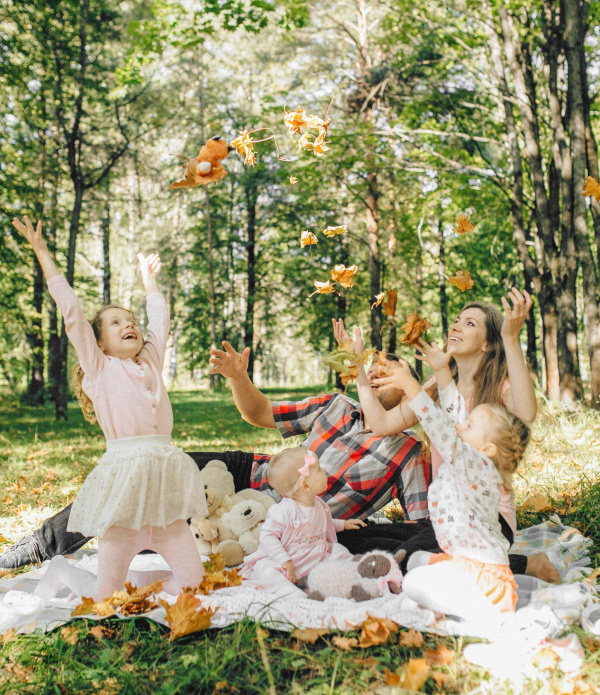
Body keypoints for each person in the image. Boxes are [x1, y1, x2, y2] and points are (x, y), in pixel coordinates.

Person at [12, 216, 206, 600]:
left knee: (194, 587)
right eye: (115, 322)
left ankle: (140, 581)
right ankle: (64, 570)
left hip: (164, 503)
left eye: (130, 321)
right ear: (99, 342)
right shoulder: (100, 367)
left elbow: (159, 317)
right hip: (124, 501)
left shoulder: (150, 360)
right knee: (106, 599)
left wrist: (148, 278)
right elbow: (70, 310)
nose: (128, 325)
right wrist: (42, 252)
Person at [332, 294, 560, 584]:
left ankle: (521, 564)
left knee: (402, 559)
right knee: (351, 538)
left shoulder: (500, 387)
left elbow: (526, 413)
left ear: (488, 343)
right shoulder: (437, 387)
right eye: (456, 320)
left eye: (469, 323)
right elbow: (380, 423)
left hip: (485, 520)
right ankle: (503, 562)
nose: (456, 326)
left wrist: (511, 338)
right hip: (443, 516)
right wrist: (357, 367)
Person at [357, 347, 530, 637]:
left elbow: (442, 429)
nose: (462, 424)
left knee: (413, 583)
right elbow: (455, 413)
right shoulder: (473, 453)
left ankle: (485, 617)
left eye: (471, 425)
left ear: (487, 449)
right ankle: (458, 604)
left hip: (484, 580)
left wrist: (412, 388)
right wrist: (443, 372)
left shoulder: (477, 465)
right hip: (463, 563)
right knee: (415, 562)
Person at [241, 446, 365, 591]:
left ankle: (358, 571)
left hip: (315, 557)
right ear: (305, 485)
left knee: (338, 551)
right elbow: (268, 535)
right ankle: (289, 592)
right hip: (290, 561)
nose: (324, 471)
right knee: (266, 569)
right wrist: (283, 559)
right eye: (319, 469)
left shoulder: (319, 504)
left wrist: (343, 524)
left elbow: (322, 524)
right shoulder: (283, 510)